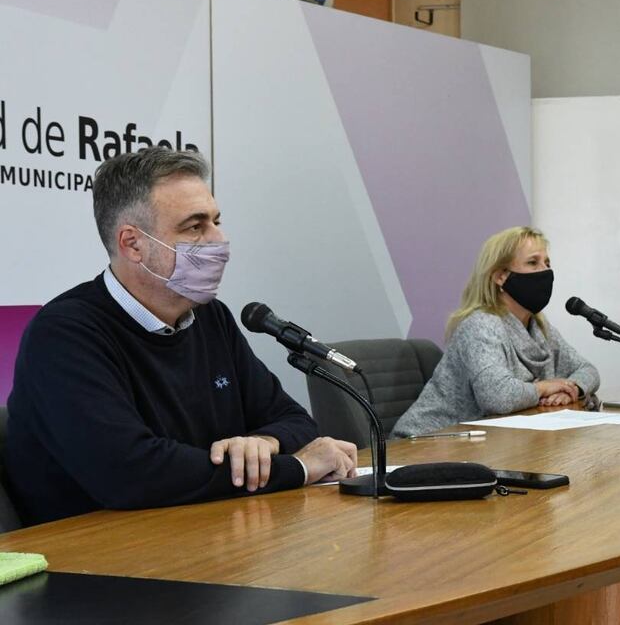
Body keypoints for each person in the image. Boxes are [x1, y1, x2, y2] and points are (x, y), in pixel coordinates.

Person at [5, 148, 358, 525]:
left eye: (216, 221)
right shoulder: (64, 334)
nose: (219, 240)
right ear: (133, 244)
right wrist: (297, 468)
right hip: (93, 564)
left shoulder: (211, 318)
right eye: (195, 226)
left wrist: (263, 444)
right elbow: (132, 474)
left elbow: (292, 418)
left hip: (204, 533)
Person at [391, 226, 599, 438]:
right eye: (533, 262)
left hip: (487, 444)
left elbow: (587, 369)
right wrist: (544, 389)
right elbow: (497, 396)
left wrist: (571, 389)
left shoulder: (540, 328)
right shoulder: (481, 325)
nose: (545, 271)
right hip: (427, 444)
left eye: (547, 263)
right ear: (500, 276)